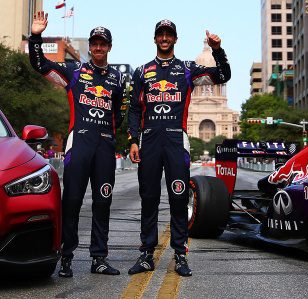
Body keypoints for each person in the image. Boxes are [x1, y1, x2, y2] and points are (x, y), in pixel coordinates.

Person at [127, 20, 231, 277]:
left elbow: (223, 76)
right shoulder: (142, 71)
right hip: (149, 140)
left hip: (176, 140)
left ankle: (180, 255)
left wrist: (218, 51)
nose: (164, 38)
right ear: (155, 39)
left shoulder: (188, 69)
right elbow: (134, 109)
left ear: (175, 39)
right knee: (149, 199)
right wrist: (132, 139)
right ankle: (146, 253)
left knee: (178, 198)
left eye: (168, 35)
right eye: (160, 34)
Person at [29, 12, 123, 277]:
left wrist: (115, 141)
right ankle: (66, 257)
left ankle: (99, 258)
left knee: (103, 202)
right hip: (78, 143)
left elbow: (118, 113)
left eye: (103, 43)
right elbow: (40, 65)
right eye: (94, 43)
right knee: (71, 202)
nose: (98, 47)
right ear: (91, 47)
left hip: (104, 146)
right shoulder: (73, 73)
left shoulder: (117, 78)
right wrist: (36, 36)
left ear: (109, 47)